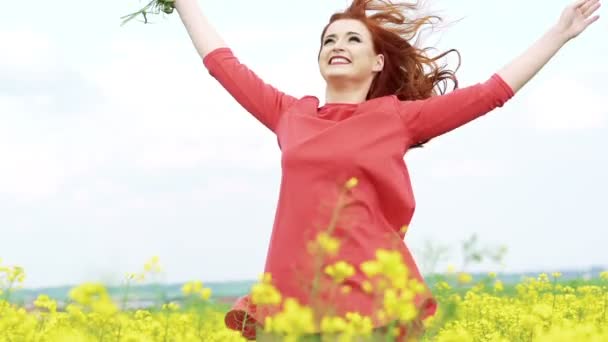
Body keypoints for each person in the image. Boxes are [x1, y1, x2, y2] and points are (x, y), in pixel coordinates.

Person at [173, 0, 600, 340]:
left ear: (378, 62)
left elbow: (490, 93)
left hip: (369, 298)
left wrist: (558, 35)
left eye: (353, 39)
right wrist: (182, 2)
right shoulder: (289, 114)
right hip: (291, 297)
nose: (338, 45)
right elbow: (223, 64)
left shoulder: (395, 118)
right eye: (329, 40)